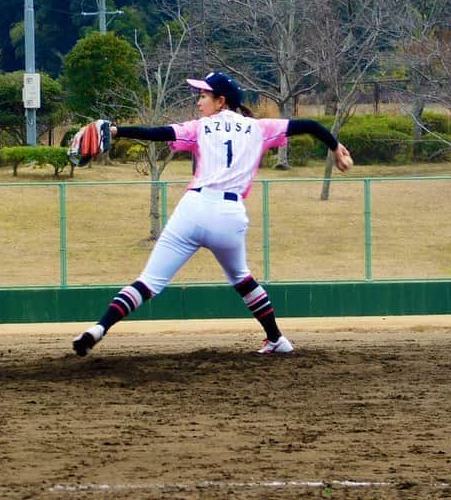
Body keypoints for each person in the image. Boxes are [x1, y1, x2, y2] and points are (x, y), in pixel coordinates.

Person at [73, 71, 352, 356]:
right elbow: (310, 125)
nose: (198, 101)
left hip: (192, 210)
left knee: (148, 282)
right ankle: (276, 339)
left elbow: (158, 133)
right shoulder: (259, 128)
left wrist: (119, 131)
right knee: (243, 280)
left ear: (221, 101)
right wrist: (336, 148)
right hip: (229, 216)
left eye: (203, 95)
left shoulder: (201, 127)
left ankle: (100, 327)